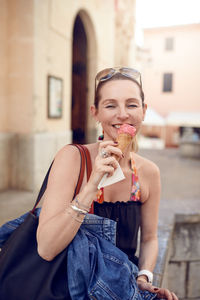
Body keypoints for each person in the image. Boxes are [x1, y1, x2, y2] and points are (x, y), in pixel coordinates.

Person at [36, 67, 178, 300]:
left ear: (143, 111)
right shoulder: (72, 158)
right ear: (95, 113)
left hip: (121, 288)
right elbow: (46, 248)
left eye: (132, 105)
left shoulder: (148, 172)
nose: (122, 114)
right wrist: (92, 185)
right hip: (67, 288)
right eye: (110, 105)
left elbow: (150, 238)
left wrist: (143, 278)